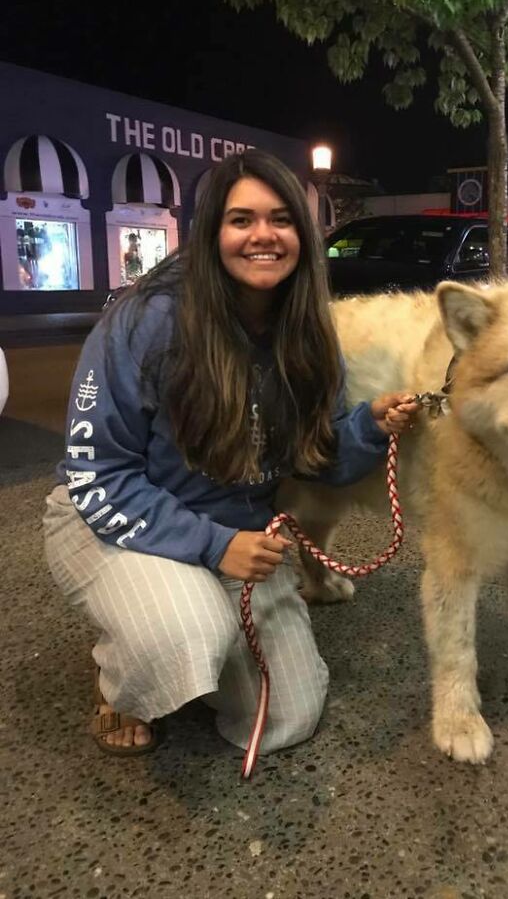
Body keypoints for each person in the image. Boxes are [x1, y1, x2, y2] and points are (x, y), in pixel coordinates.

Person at [43, 149, 420, 756]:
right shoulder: (148, 319)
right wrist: (216, 546)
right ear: (211, 231)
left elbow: (317, 457)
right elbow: (98, 474)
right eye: (241, 220)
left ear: (303, 232)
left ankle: (189, 646)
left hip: (237, 540)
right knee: (184, 637)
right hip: (117, 522)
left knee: (287, 718)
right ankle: (125, 677)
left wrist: (370, 429)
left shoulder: (309, 333)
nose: (263, 235)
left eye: (281, 219)